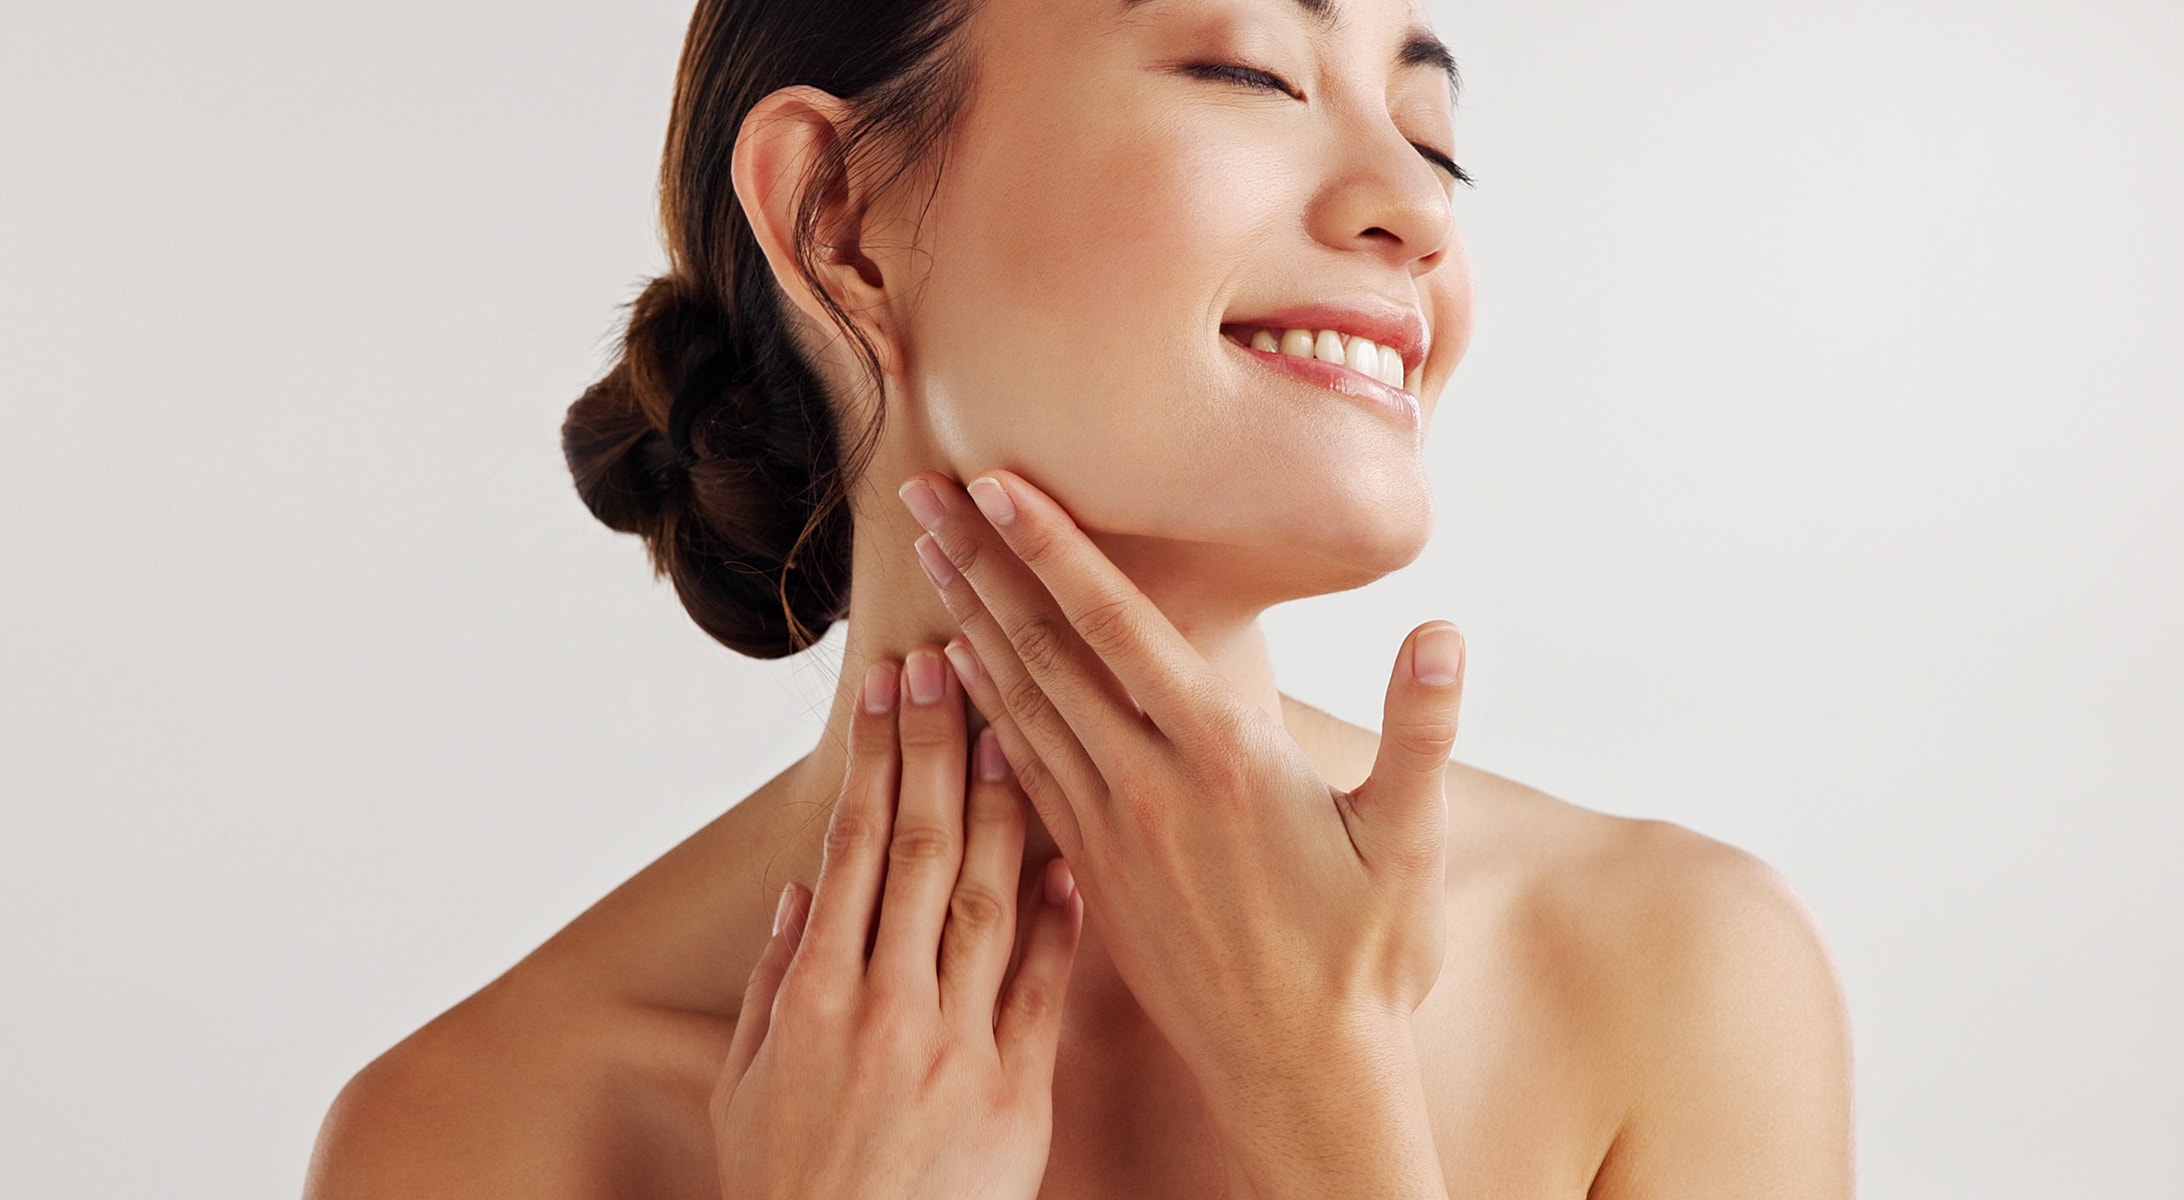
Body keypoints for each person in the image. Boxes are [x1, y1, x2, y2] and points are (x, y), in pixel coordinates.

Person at [307, 0, 1854, 1195]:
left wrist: (1328, 1110)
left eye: (1435, 133)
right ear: (837, 218)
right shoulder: (482, 1135)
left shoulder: (1675, 981)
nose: (1417, 208)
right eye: (1251, 70)